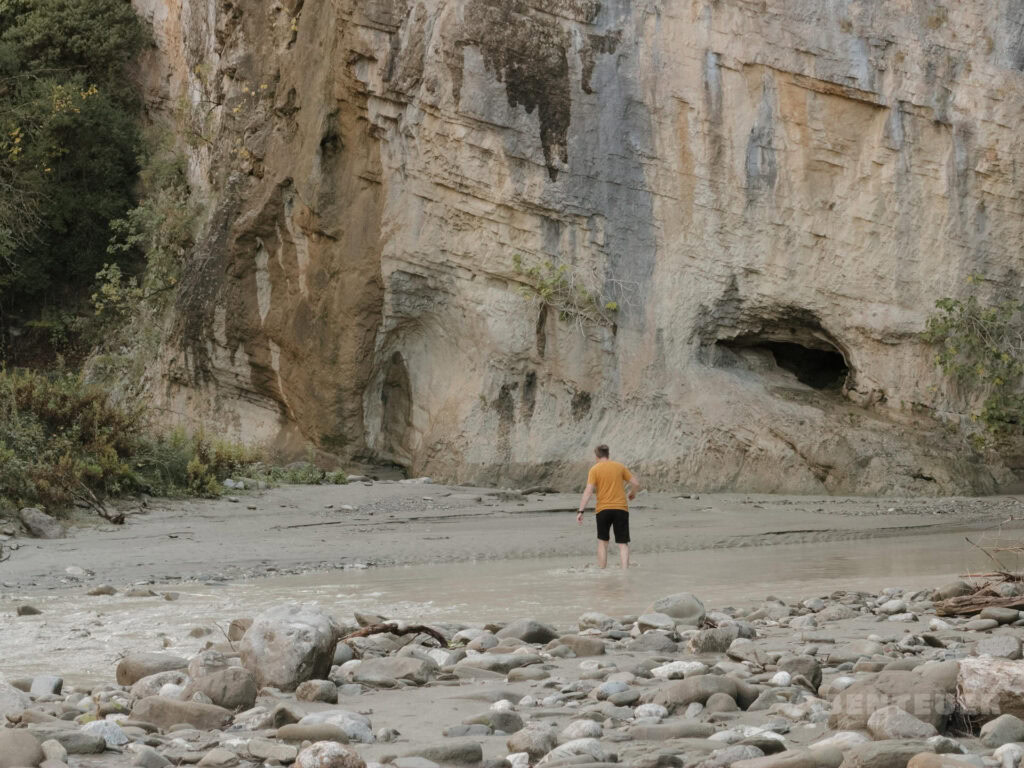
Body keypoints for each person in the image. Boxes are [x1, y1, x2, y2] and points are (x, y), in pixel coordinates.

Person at [576, 444, 641, 569]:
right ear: (608, 455)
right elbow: (636, 483)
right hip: (621, 509)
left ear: (597, 456)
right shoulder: (619, 467)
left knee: (603, 542)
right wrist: (632, 493)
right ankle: (625, 573)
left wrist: (581, 511)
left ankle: (602, 571)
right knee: (623, 544)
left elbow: (588, 491)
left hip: (603, 510)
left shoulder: (594, 469)